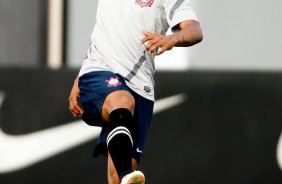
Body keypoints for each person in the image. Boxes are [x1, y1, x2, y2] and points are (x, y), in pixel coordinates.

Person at [69, 0, 203, 183]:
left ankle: (124, 175)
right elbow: (102, 31)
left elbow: (195, 30)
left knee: (117, 176)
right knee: (123, 101)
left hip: (141, 86)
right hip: (100, 71)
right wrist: (80, 76)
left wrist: (171, 39)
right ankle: (126, 175)